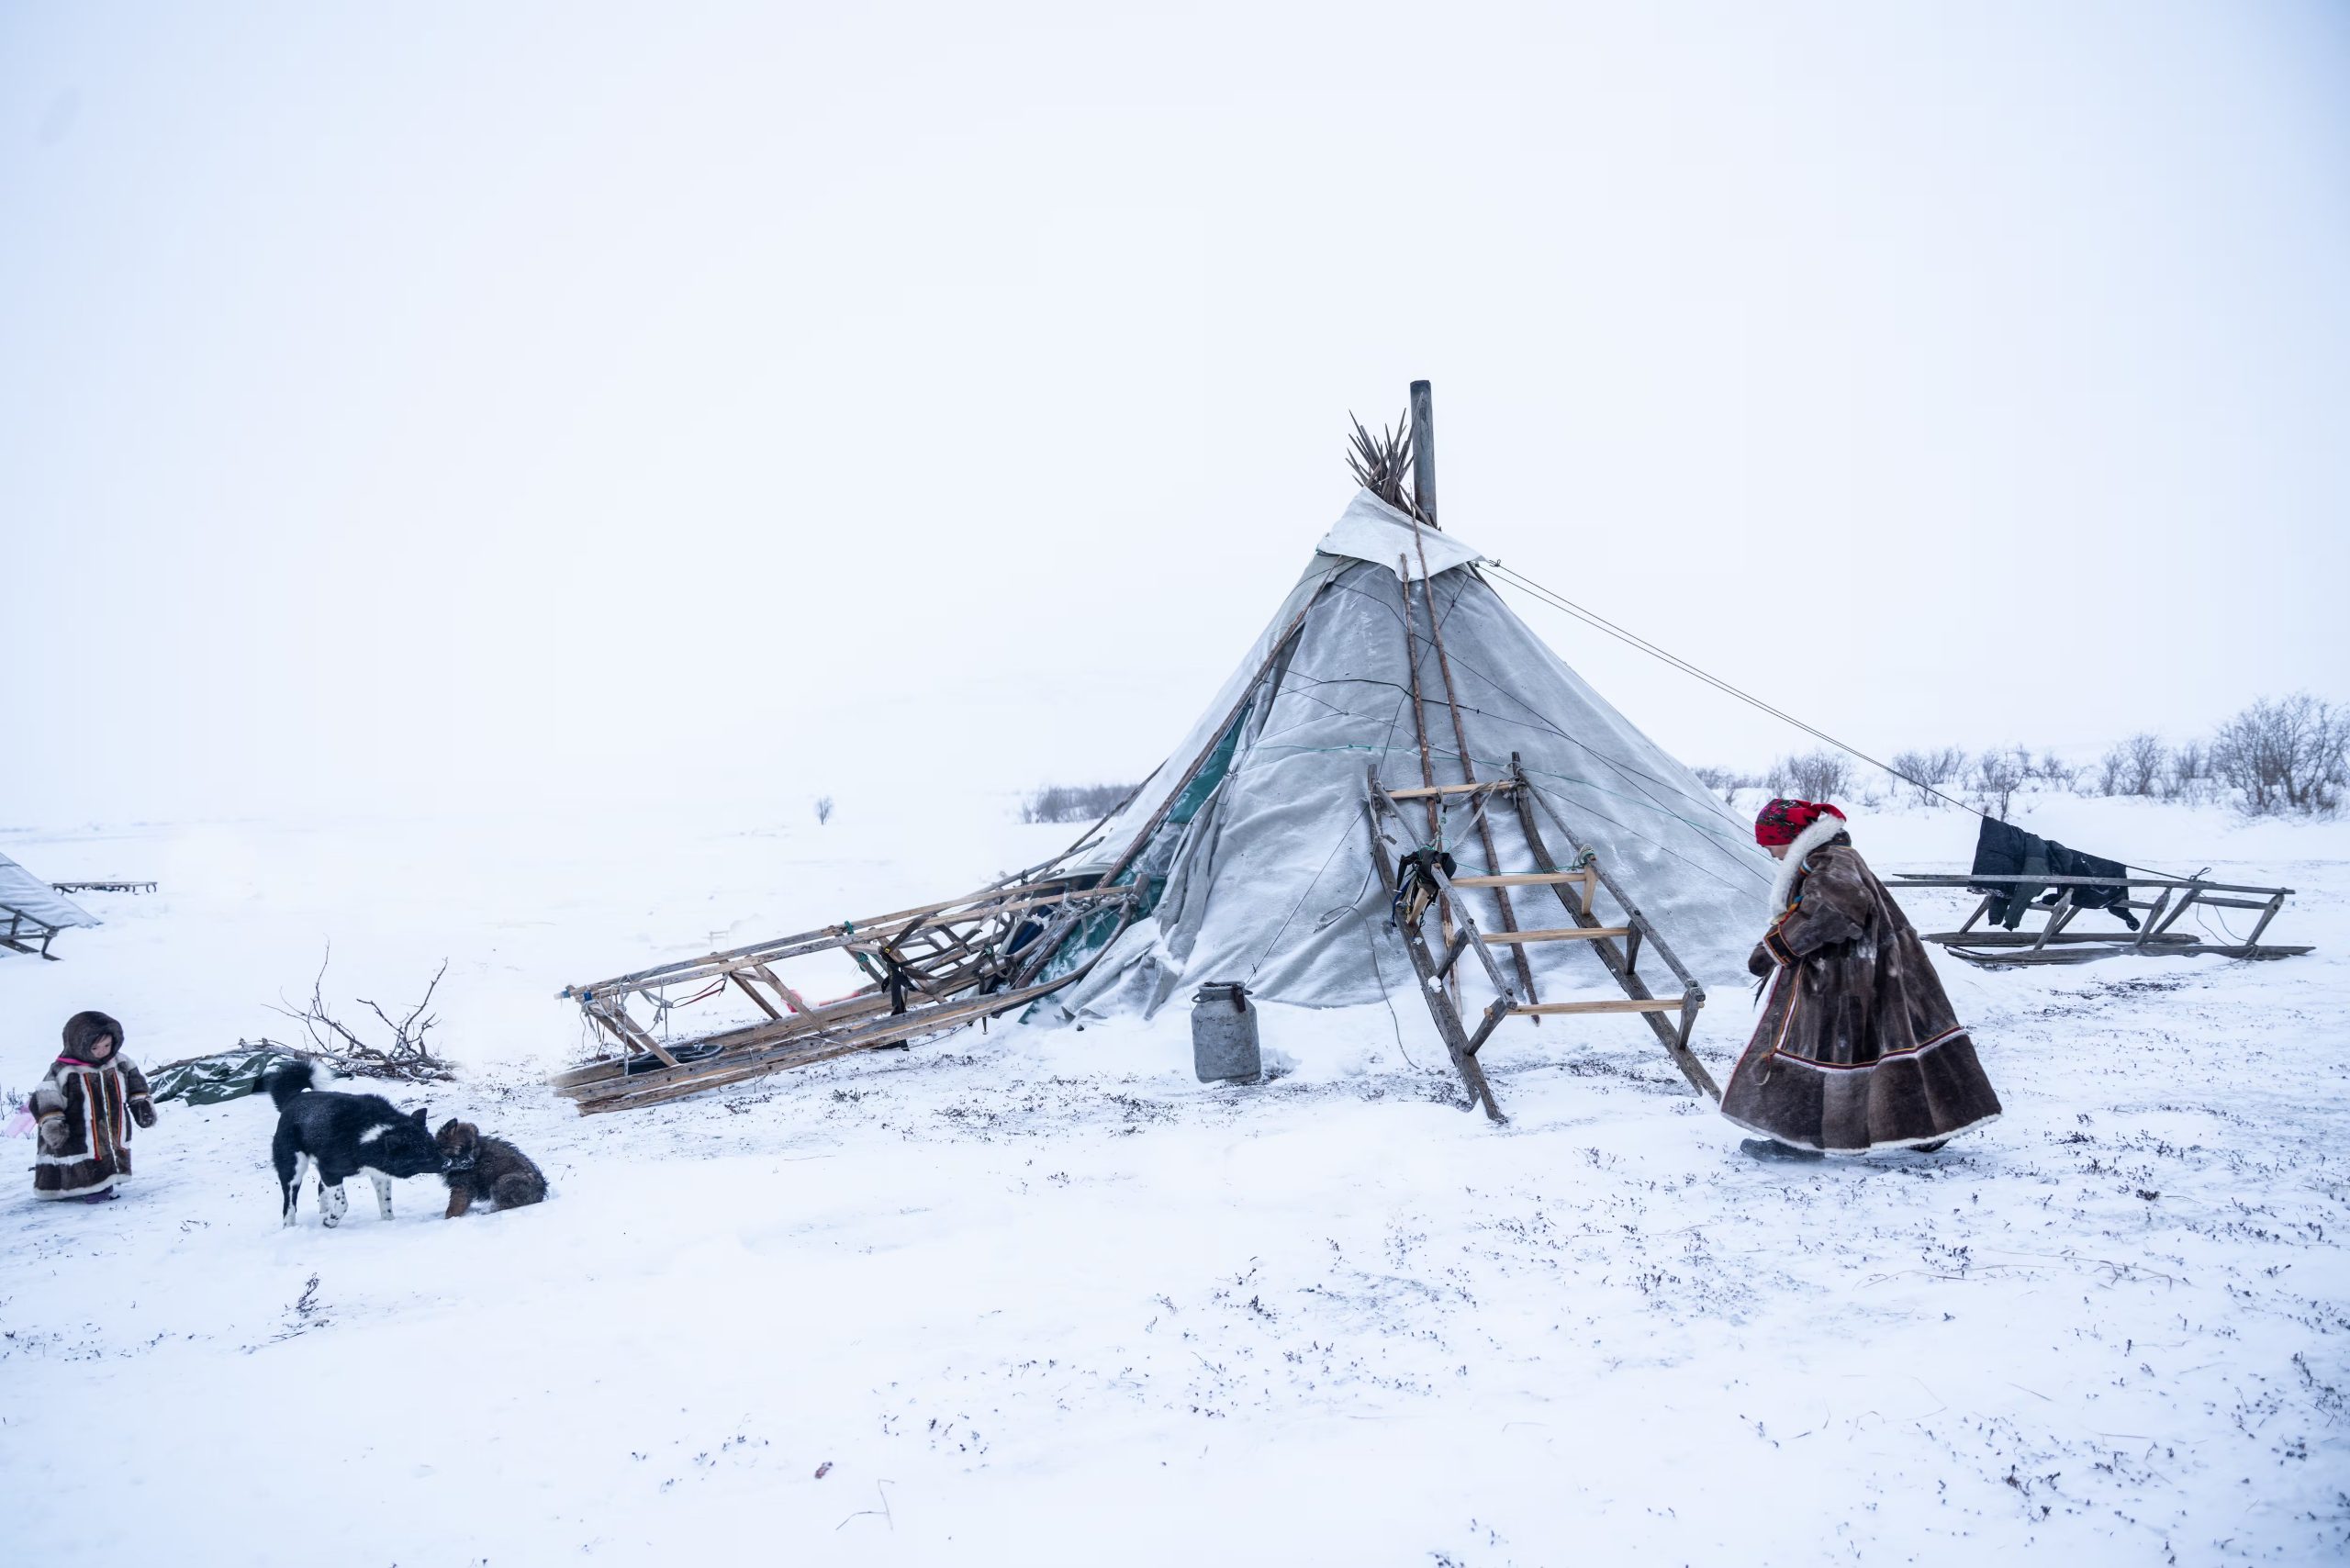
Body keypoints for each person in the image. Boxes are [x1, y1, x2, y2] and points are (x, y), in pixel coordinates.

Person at [1719, 799, 2002, 1162]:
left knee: (1813, 1049)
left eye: (1770, 841)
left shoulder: (1832, 863)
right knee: (1884, 1047)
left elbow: (1833, 913)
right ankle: (1925, 1127)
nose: (1768, 850)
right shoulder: (1830, 859)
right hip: (1869, 972)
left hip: (1847, 978)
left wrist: (1776, 948)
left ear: (1793, 837)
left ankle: (1797, 1140)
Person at [30, 1010, 158, 1202]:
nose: (103, 1051)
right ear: (79, 1044)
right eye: (95, 1047)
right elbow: (45, 1096)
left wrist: (142, 1105)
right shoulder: (64, 1069)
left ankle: (103, 1184)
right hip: (76, 1127)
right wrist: (52, 1122)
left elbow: (136, 1085)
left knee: (107, 1151)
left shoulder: (120, 1062)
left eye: (107, 1045)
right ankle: (85, 1189)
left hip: (111, 1124)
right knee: (81, 1153)